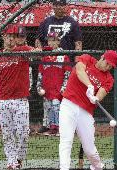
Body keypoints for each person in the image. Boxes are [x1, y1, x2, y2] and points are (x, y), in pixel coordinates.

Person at [58, 50, 117, 170]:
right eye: (108, 63)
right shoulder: (87, 59)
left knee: (90, 150)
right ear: (102, 57)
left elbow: (102, 93)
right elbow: (80, 71)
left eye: (111, 67)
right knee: (66, 141)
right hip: (68, 104)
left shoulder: (109, 78)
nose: (108, 67)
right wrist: (90, 86)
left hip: (85, 112)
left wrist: (95, 98)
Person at [0, 24, 39, 170]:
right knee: (7, 134)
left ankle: (19, 158)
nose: (11, 39)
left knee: (23, 133)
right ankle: (11, 162)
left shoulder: (22, 50)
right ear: (3, 37)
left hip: (21, 100)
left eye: (13, 36)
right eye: (8, 36)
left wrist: (37, 49)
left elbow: (36, 53)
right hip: (3, 101)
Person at [35, 0, 82, 134]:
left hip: (65, 64)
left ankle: (64, 124)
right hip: (48, 62)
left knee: (65, 97)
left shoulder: (72, 22)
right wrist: (40, 54)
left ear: (66, 6)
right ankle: (48, 124)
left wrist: (77, 62)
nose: (59, 7)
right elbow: (38, 40)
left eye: (61, 4)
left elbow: (78, 42)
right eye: (56, 4)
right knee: (47, 97)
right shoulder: (46, 22)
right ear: (52, 6)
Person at [36, 32, 72, 136]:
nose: (51, 42)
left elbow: (68, 73)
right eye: (49, 40)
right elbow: (40, 74)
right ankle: (52, 127)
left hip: (58, 90)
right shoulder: (45, 57)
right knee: (49, 108)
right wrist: (39, 87)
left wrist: (64, 88)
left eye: (54, 40)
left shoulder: (63, 56)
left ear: (59, 41)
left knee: (57, 107)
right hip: (47, 90)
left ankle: (60, 128)